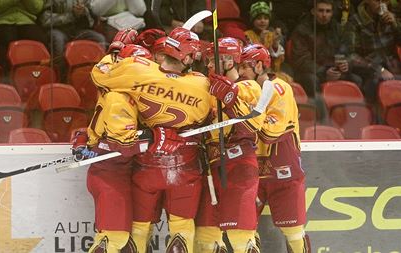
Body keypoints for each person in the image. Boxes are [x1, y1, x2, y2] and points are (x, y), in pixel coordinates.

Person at [91, 27, 213, 253]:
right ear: (187, 57)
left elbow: (100, 74)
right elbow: (210, 120)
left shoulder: (138, 70)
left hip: (146, 164)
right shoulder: (201, 84)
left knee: (138, 230)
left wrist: (116, 51)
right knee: (181, 233)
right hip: (185, 165)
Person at [71, 43, 153, 253]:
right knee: (113, 240)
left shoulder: (118, 92)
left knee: (126, 243)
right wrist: (153, 137)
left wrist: (85, 143)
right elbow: (123, 144)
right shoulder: (120, 98)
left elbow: (96, 133)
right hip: (111, 176)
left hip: (115, 173)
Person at [238, 43, 310, 253]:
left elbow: (271, 134)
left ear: (259, 65)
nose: (241, 71)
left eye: (245, 66)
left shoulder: (280, 88)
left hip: (283, 169)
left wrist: (248, 117)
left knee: (294, 232)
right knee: (244, 230)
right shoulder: (245, 90)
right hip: (252, 169)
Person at [194, 37, 264, 253]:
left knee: (242, 238)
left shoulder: (249, 87)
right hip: (210, 168)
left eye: (212, 61)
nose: (208, 65)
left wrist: (230, 97)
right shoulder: (205, 89)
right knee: (204, 239)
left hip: (238, 165)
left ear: (227, 60)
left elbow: (253, 125)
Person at [290, 0, 362, 97]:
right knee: (312, 80)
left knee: (356, 80)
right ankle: (319, 111)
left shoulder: (338, 29)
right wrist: (324, 72)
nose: (324, 15)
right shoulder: (302, 30)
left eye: (328, 11)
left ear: (332, 13)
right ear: (313, 11)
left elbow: (347, 52)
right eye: (321, 11)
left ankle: (350, 112)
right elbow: (301, 60)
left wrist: (346, 64)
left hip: (333, 70)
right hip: (311, 72)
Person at [345, 0, 401, 103]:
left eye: (384, 1)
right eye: (376, 0)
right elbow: (350, 55)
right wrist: (379, 69)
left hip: (393, 66)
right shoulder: (355, 22)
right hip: (370, 69)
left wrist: (396, 25)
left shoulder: (391, 17)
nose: (380, 4)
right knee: (374, 84)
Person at [39, 0, 107, 80]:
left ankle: (97, 76)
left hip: (77, 31)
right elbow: (45, 20)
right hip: (58, 29)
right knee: (58, 40)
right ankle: (59, 78)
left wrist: (84, 12)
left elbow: (91, 23)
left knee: (99, 39)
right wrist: (71, 15)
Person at [0, 0, 48, 69]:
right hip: (1, 20)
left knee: (39, 39)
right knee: (6, 37)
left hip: (26, 21)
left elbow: (37, 7)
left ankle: (35, 75)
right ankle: (4, 75)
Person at [245, 1, 287, 74]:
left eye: (266, 18)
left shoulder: (271, 35)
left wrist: (275, 44)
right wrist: (260, 42)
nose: (263, 21)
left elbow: (276, 66)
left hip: (271, 72)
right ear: (253, 20)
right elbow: (250, 60)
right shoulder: (247, 35)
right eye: (259, 18)